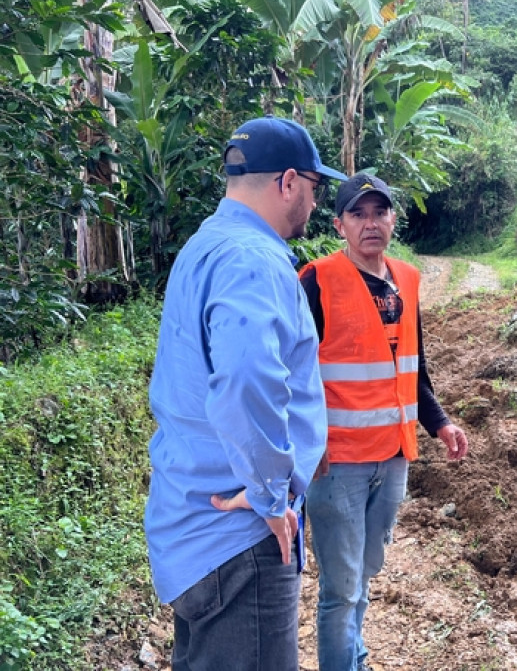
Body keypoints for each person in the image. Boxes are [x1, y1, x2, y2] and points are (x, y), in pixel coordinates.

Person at [145, 115, 347, 671]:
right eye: (314, 186)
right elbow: (244, 382)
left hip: (191, 526)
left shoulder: (205, 247)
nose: (313, 201)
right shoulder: (253, 261)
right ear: (287, 183)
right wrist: (269, 496)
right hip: (238, 541)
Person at [298, 173, 469, 671]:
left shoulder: (408, 280)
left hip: (394, 457)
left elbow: (413, 368)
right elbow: (292, 371)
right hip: (338, 464)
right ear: (339, 224)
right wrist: (307, 445)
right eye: (358, 213)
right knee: (340, 588)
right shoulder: (317, 281)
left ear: (393, 219)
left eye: (379, 212)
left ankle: (356, 658)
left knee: (364, 575)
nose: (370, 223)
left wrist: (440, 424)